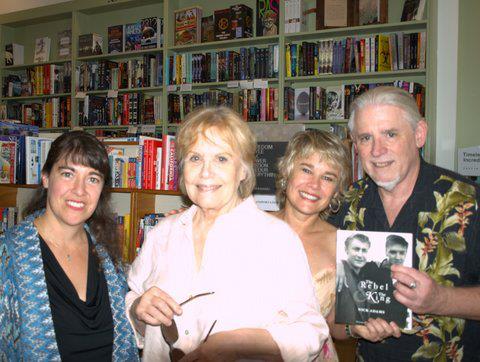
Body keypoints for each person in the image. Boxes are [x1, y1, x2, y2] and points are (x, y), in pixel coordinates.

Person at [126, 107, 328, 361]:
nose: (205, 172)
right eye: (195, 158)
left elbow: (311, 331)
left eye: (221, 159)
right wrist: (137, 309)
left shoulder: (276, 240)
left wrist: (238, 343)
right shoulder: (162, 233)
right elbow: (132, 296)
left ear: (243, 170)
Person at [331, 85, 480, 360]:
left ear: (419, 134)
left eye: (390, 134)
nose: (377, 150)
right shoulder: (346, 206)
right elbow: (335, 320)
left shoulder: (467, 202)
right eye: (365, 138)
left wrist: (441, 300)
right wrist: (354, 328)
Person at [0, 131, 139, 361]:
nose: (80, 190)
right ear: (45, 177)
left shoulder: (110, 260)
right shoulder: (7, 258)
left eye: (92, 178)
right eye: (68, 174)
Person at [335, 233, 372, 325]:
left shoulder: (369, 274)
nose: (360, 255)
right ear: (346, 250)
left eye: (364, 250)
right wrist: (338, 264)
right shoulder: (338, 270)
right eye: (356, 249)